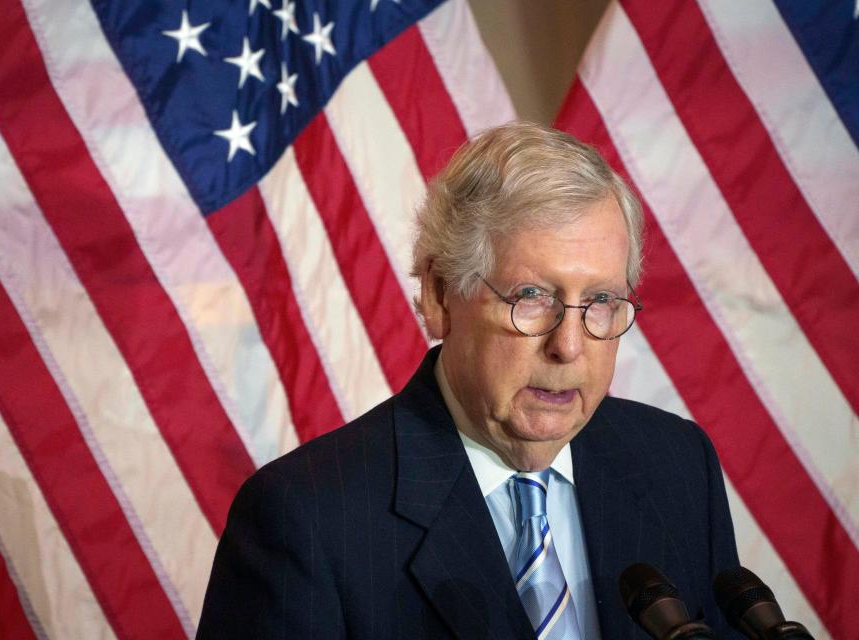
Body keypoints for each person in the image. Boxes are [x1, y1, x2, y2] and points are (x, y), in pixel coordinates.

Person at [196, 123, 740, 639]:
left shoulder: (677, 464)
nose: (568, 346)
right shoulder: (305, 520)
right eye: (532, 297)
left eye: (599, 302)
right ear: (439, 296)